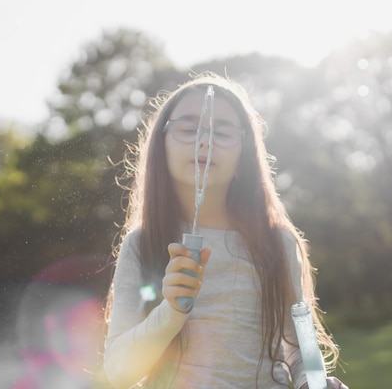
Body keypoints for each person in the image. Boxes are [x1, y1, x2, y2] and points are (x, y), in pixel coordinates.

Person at [102, 72, 348, 388]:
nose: (204, 141)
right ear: (160, 146)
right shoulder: (142, 244)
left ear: (244, 154)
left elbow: (300, 348)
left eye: (223, 132)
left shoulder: (277, 243)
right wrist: (171, 311)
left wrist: (313, 383)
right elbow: (119, 371)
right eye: (189, 129)